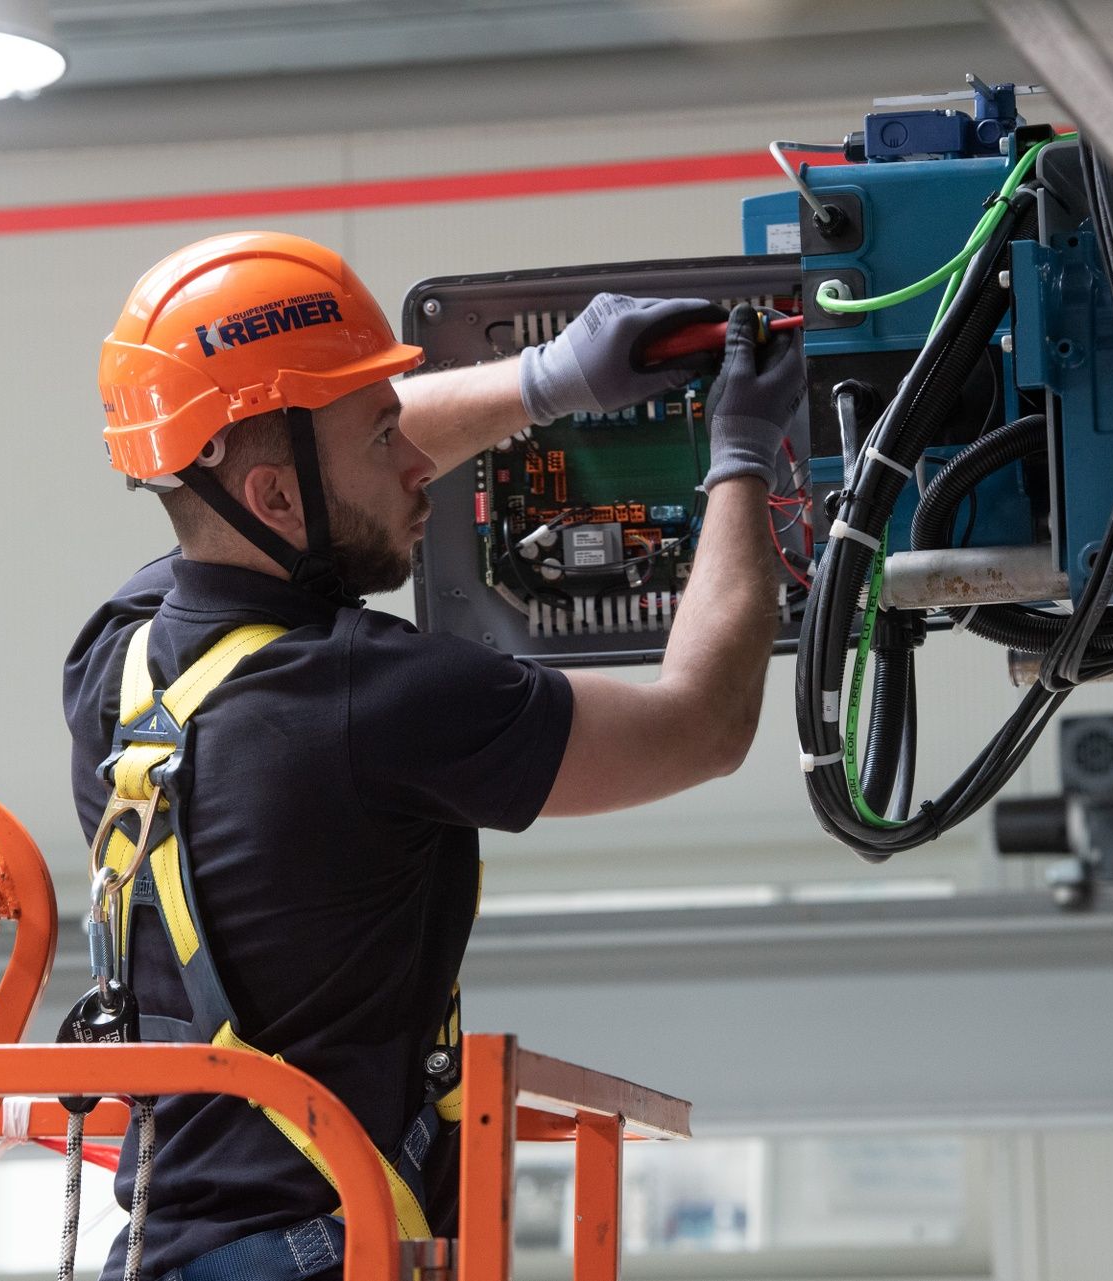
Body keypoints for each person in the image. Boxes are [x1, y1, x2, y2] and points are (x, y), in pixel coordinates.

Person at [64, 231, 802, 1281]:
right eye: (383, 440)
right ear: (273, 501)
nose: (422, 463)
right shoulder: (379, 698)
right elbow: (700, 725)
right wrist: (741, 459)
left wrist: (554, 381)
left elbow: (267, 470)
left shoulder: (116, 661)